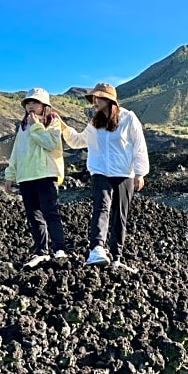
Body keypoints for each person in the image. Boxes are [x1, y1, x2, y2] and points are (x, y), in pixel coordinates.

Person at [62, 83, 149, 268]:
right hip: (100, 172)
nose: (94, 102)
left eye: (98, 98)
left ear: (109, 100)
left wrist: (140, 173)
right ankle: (97, 249)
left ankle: (117, 257)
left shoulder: (129, 118)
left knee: (120, 215)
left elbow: (139, 146)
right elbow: (78, 141)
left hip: (124, 173)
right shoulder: (95, 124)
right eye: (93, 98)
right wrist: (63, 128)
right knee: (101, 207)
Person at [4, 87, 68, 268]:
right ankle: (41, 251)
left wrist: (36, 126)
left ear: (44, 105)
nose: (31, 106)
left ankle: (59, 249)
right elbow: (16, 152)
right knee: (34, 216)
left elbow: (51, 143)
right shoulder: (22, 126)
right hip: (26, 177)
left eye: (35, 102)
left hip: (46, 175)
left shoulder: (52, 122)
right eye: (28, 103)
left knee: (51, 212)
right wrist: (10, 175)